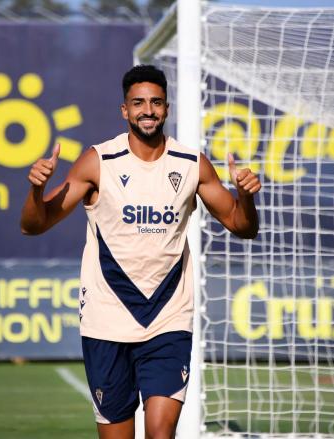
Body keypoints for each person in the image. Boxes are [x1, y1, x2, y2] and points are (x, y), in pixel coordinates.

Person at [20, 65, 260, 439]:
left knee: (160, 434)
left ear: (166, 109)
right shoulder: (98, 162)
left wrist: (244, 197)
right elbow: (34, 225)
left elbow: (242, 226)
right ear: (124, 110)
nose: (148, 110)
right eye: (138, 103)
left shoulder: (192, 164)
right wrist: (36, 191)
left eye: (156, 102)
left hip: (168, 318)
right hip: (107, 320)